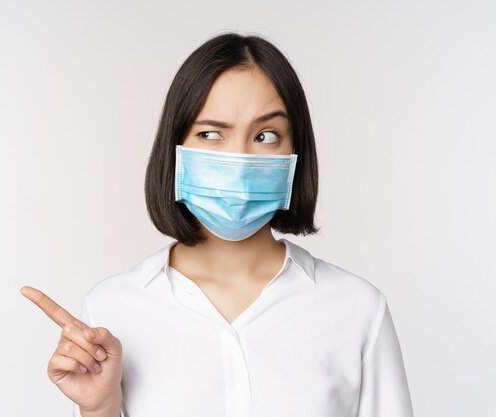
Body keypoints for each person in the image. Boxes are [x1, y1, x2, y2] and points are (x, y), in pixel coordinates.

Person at [21, 32, 414, 417]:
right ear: (176, 149)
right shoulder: (111, 310)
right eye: (210, 134)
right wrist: (99, 409)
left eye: (265, 135)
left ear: (296, 152)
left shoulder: (357, 310)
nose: (239, 160)